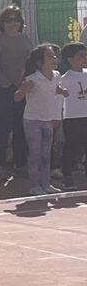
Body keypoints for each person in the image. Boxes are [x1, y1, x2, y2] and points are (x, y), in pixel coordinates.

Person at [0, 4, 35, 179]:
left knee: (20, 127)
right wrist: (4, 81)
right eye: (9, 20)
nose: (13, 23)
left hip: (22, 89)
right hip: (4, 91)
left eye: (16, 19)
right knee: (4, 127)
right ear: (2, 23)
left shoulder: (25, 39)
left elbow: (32, 61)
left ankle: (20, 163)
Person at [16, 43, 66, 195]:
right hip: (32, 121)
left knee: (46, 153)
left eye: (55, 56)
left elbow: (54, 89)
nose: (54, 59)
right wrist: (23, 90)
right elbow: (17, 97)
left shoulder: (56, 75)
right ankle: (35, 185)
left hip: (48, 120)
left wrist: (61, 91)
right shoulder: (32, 79)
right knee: (35, 153)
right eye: (49, 57)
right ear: (39, 62)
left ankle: (46, 184)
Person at [59, 42, 87, 189]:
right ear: (70, 59)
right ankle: (67, 176)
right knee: (71, 146)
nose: (84, 58)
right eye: (81, 55)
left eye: (85, 55)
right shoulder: (66, 78)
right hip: (72, 117)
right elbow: (60, 97)